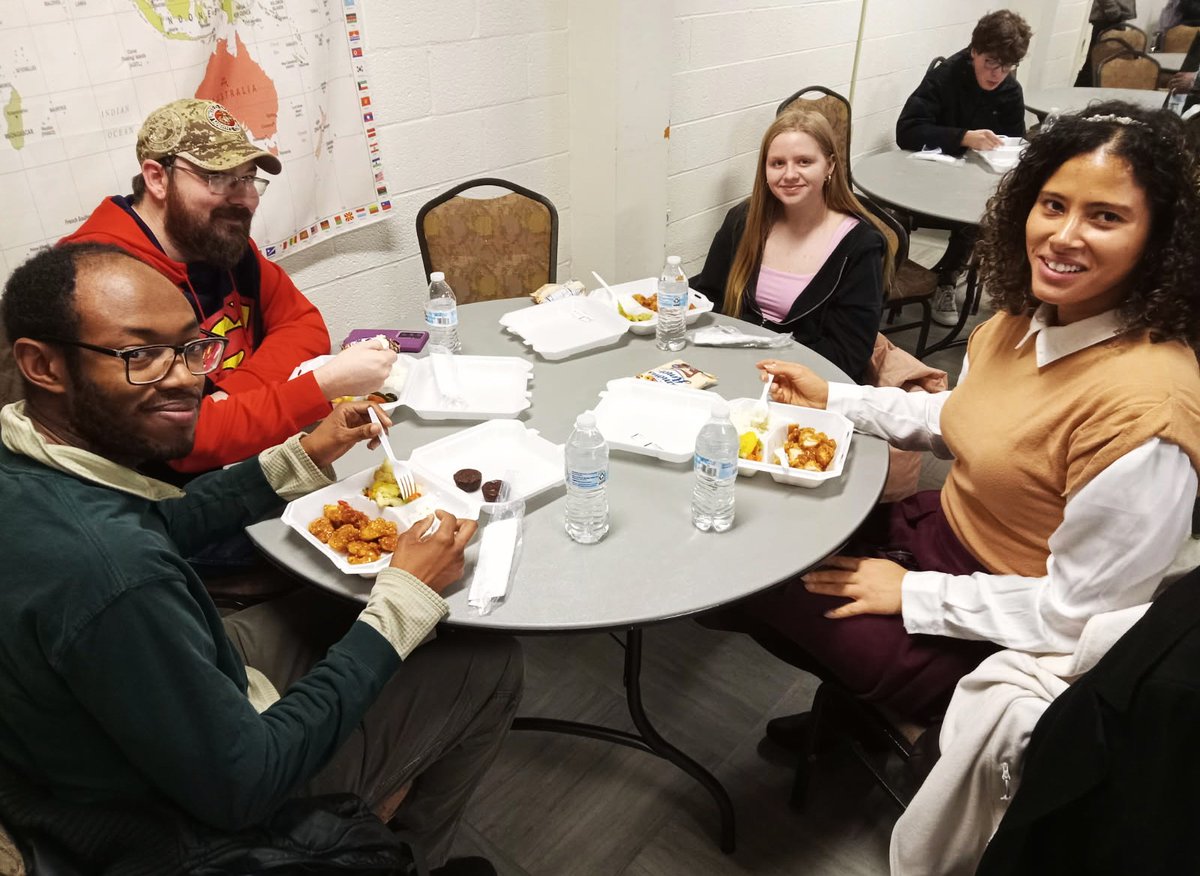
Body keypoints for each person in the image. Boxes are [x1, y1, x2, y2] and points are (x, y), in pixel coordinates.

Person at [0, 242, 522, 874]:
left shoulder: (29, 455)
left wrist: (304, 453)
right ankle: (407, 855)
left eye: (192, 349)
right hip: (177, 815)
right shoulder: (111, 574)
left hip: (107, 718)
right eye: (139, 355)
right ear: (42, 364)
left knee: (329, 602)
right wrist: (403, 603)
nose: (185, 379)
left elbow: (154, 524)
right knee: (486, 658)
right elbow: (245, 782)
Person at [721, 101, 1200, 734]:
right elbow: (958, 418)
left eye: (1105, 217)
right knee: (758, 545)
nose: (1063, 235)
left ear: (1158, 240)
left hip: (1004, 619)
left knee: (755, 587)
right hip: (942, 534)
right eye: (1054, 205)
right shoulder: (1018, 324)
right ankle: (856, 705)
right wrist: (835, 397)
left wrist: (913, 595)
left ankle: (884, 710)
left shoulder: (1147, 411)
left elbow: (1083, 617)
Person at [62, 98, 396, 476]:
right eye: (218, 178)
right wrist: (319, 386)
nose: (245, 198)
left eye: (248, 178)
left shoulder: (217, 242)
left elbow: (303, 325)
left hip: (252, 456)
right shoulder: (104, 282)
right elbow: (184, 441)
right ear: (157, 178)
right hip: (171, 499)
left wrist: (232, 397)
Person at [691, 108, 893, 383]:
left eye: (804, 162)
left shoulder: (859, 246)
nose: (789, 174)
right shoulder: (743, 221)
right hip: (731, 368)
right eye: (777, 163)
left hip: (805, 384)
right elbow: (707, 297)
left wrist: (765, 369)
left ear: (830, 166)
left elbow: (848, 354)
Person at [895, 10, 1032, 327]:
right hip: (928, 178)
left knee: (985, 212)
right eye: (990, 63)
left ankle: (946, 279)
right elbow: (907, 131)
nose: (997, 74)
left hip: (974, 184)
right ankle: (900, 275)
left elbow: (1017, 145)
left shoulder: (1010, 90)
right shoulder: (947, 76)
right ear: (974, 52)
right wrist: (963, 138)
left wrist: (1007, 151)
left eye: (1007, 67)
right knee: (895, 214)